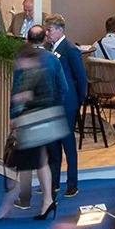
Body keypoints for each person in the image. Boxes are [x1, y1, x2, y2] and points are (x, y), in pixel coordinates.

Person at [1, 32, 64, 220]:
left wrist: (16, 112)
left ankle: (25, 200)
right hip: (44, 124)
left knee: (29, 163)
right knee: (41, 163)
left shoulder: (31, 75)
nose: (17, 64)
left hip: (34, 126)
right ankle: (47, 200)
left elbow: (22, 97)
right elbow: (62, 88)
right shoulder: (49, 63)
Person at [46, 18, 87, 197]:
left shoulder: (70, 50)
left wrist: (78, 101)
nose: (47, 34)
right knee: (53, 145)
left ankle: (72, 182)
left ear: (60, 30)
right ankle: (53, 182)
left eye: (50, 30)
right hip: (53, 103)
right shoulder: (49, 49)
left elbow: (81, 78)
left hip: (67, 104)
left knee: (68, 143)